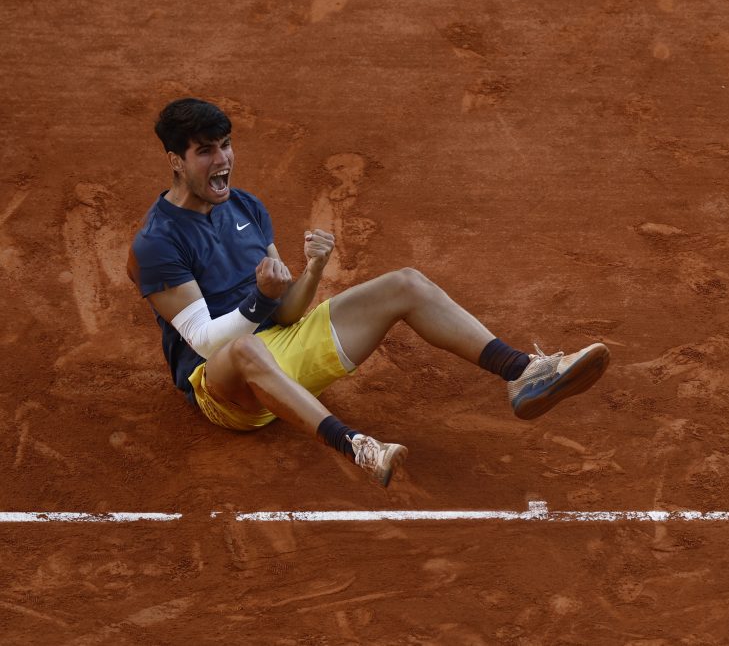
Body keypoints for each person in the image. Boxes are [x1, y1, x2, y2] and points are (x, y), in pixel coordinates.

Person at [127, 98, 610, 488]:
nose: (223, 160)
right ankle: (356, 445)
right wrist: (259, 297)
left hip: (280, 356)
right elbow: (209, 344)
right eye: (206, 151)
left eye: (226, 146)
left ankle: (522, 372)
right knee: (246, 346)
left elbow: (290, 312)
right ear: (175, 160)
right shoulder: (157, 244)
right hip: (225, 389)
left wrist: (313, 270)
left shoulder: (246, 207)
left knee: (406, 283)